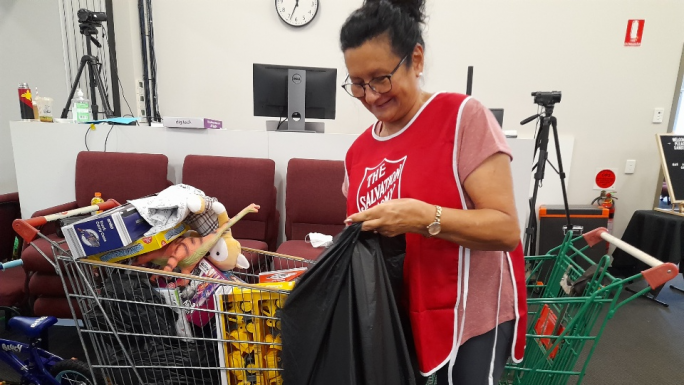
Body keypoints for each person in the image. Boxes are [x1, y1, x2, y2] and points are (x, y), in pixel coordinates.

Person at [339, 1, 528, 384]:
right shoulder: (358, 152)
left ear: (417, 60)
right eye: (358, 83)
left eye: (380, 79)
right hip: (401, 318)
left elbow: (506, 229)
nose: (371, 95)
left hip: (470, 320)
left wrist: (424, 218)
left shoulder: (462, 118)